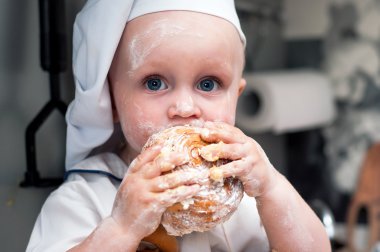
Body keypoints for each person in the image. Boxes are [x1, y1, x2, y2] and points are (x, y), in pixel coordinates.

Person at [26, 0, 331, 251]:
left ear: (236, 97)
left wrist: (272, 187)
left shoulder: (240, 194)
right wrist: (121, 228)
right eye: (155, 82)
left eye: (208, 84)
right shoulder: (85, 197)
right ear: (111, 101)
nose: (185, 108)